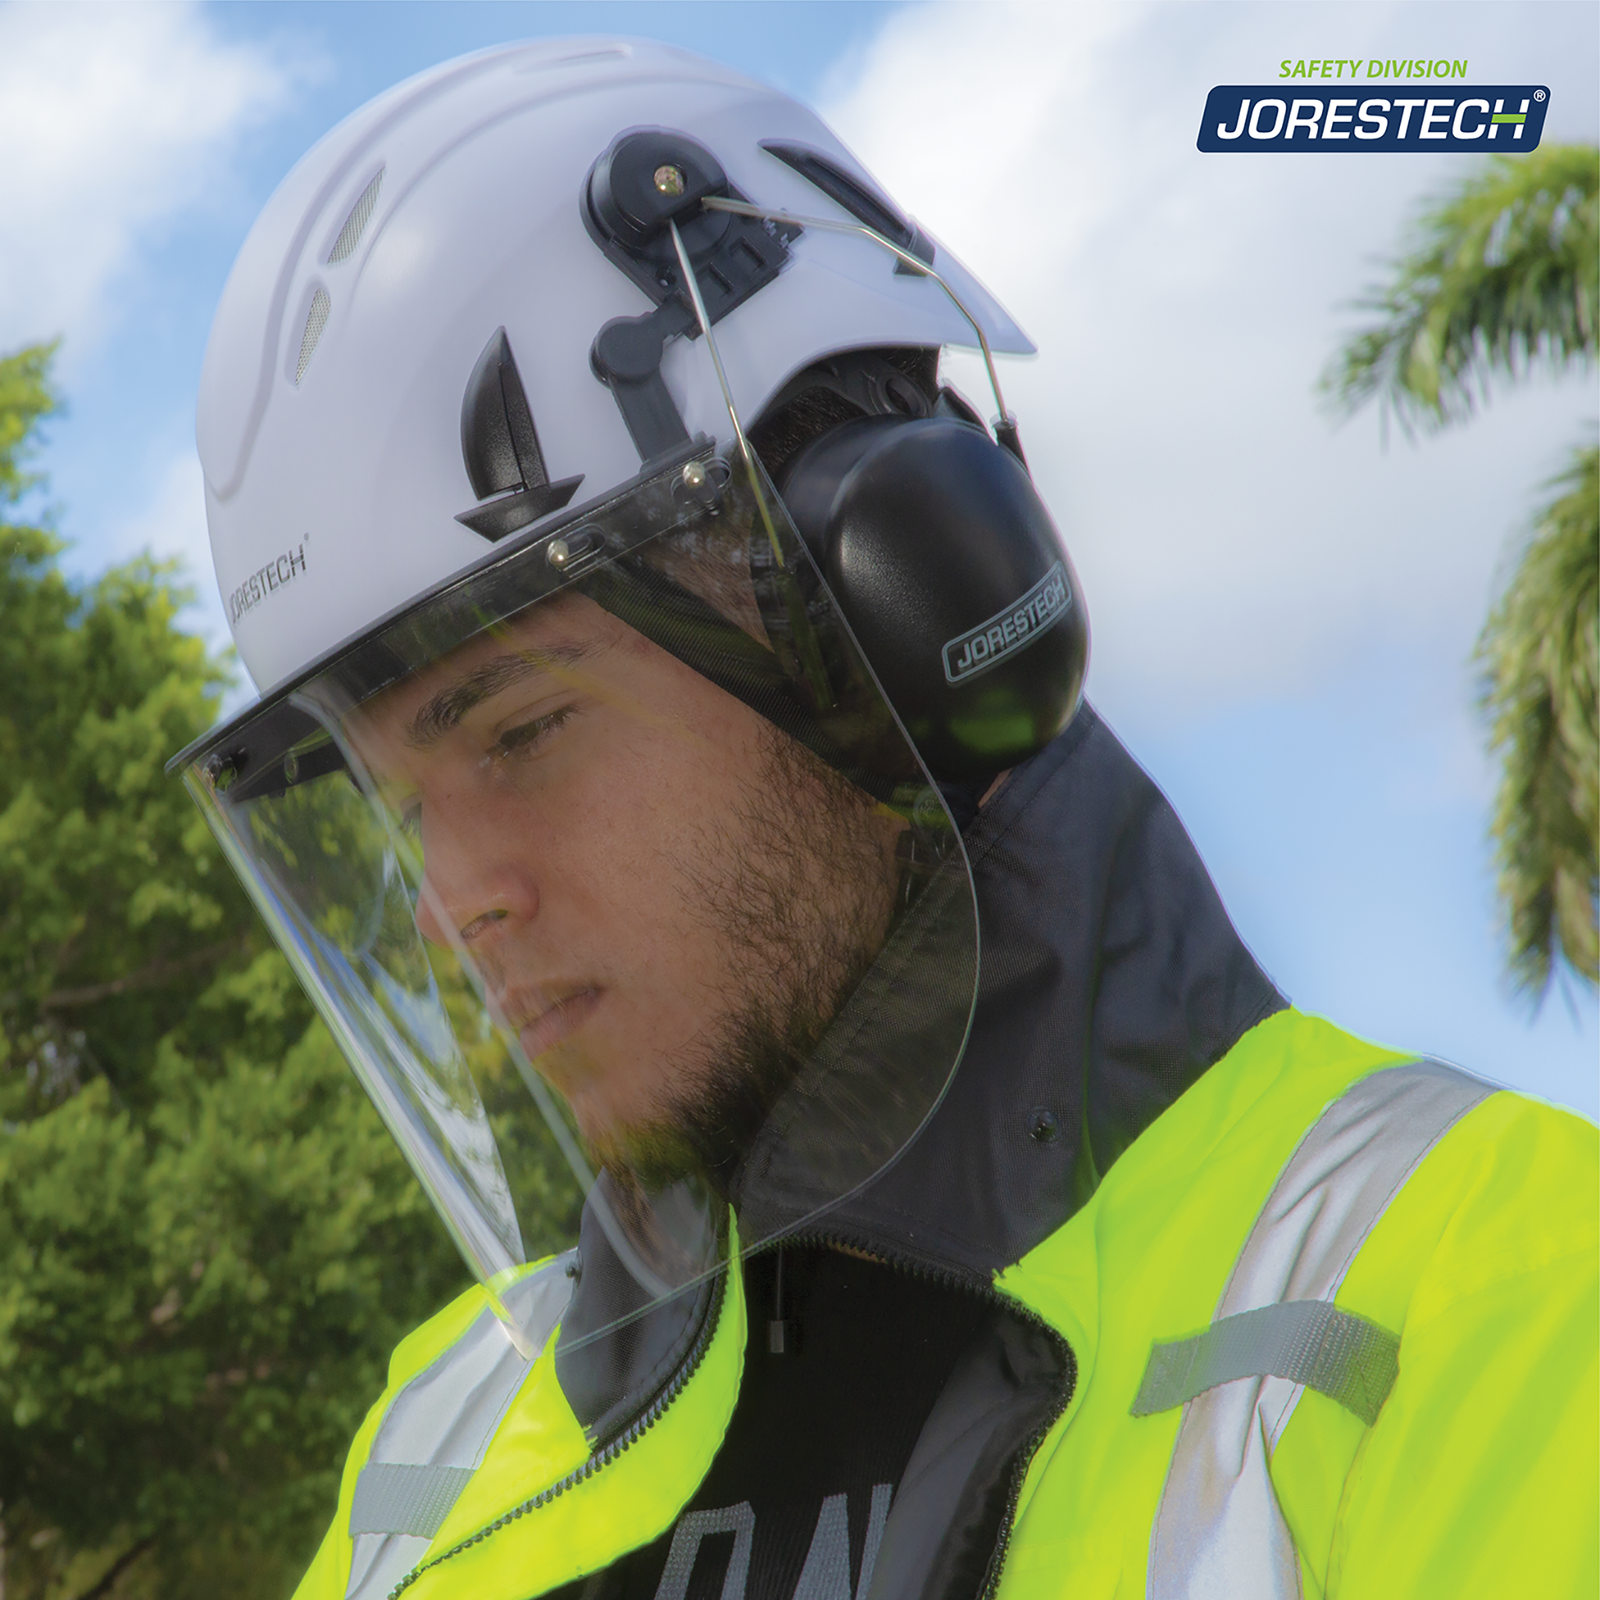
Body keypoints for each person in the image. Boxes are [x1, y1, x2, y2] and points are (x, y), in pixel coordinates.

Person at [170, 37, 1597, 1600]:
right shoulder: (439, 1434)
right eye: (395, 810)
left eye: (521, 732)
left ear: (899, 624)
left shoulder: (1483, 1277)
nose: (453, 910)